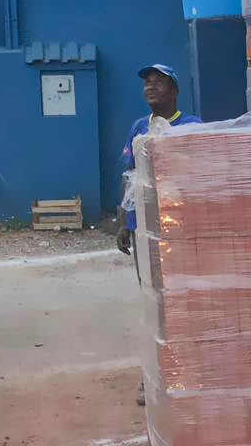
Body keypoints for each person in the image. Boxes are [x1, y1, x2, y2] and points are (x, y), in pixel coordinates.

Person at [117, 62, 201, 404]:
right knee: (154, 302)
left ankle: (186, 370)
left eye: (159, 82)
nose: (150, 87)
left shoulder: (192, 126)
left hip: (179, 231)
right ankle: (153, 375)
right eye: (147, 83)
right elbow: (129, 178)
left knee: (181, 301)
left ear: (175, 91)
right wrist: (124, 220)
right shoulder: (139, 127)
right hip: (144, 232)